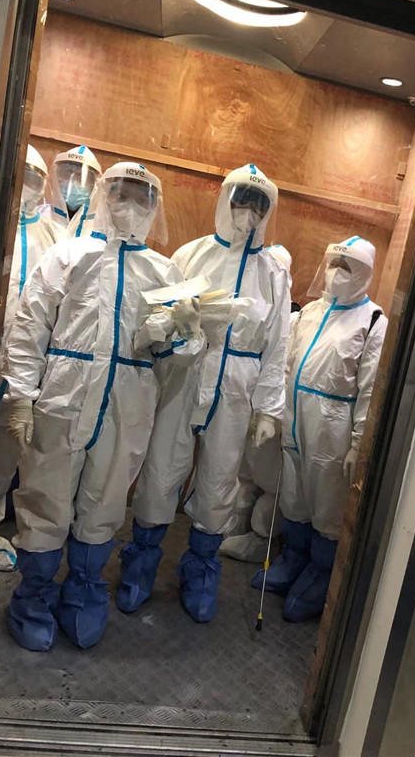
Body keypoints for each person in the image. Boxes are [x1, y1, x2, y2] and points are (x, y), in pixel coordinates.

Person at [3, 162, 205, 651]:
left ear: (155, 206)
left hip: (127, 406)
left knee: (106, 500)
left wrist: (182, 333)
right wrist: (22, 396)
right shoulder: (68, 255)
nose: (131, 204)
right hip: (64, 398)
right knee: (46, 497)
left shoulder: (164, 273)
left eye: (143, 196)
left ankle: (85, 593)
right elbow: (30, 326)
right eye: (121, 192)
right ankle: (32, 598)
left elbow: (174, 358)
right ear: (103, 194)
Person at [116, 164, 291, 623]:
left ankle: (200, 573)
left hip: (236, 385)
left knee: (219, 479)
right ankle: (140, 567)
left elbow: (278, 344)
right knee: (161, 469)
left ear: (269, 211)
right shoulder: (191, 254)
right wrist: (181, 324)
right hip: (185, 372)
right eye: (241, 199)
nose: (248, 211)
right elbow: (158, 318)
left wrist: (268, 409)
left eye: (259, 204)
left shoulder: (274, 272)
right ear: (224, 200)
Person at [252, 237, 388, 622]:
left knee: (327, 502)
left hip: (333, 426)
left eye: (347, 267)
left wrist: (358, 443)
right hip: (295, 416)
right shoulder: (311, 312)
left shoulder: (372, 321)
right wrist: (273, 413)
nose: (336, 273)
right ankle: (293, 559)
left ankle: (320, 572)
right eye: (333, 264)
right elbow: (284, 363)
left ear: (364, 274)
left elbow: (370, 389)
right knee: (293, 492)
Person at [0, 145, 60, 571]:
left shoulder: (55, 239)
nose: (25, 185)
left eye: (34, 177)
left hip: (18, 374)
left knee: (1, 458)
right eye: (19, 175)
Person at [219, 244, 296, 563]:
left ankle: (261, 540)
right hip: (243, 407)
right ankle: (234, 526)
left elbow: (280, 366)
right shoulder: (250, 309)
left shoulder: (292, 319)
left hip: (271, 413)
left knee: (268, 479)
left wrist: (270, 412)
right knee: (242, 474)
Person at [46, 145, 102, 238]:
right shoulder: (41, 216)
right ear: (57, 177)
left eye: (81, 177)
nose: (72, 183)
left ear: (94, 184)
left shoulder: (99, 227)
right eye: (67, 174)